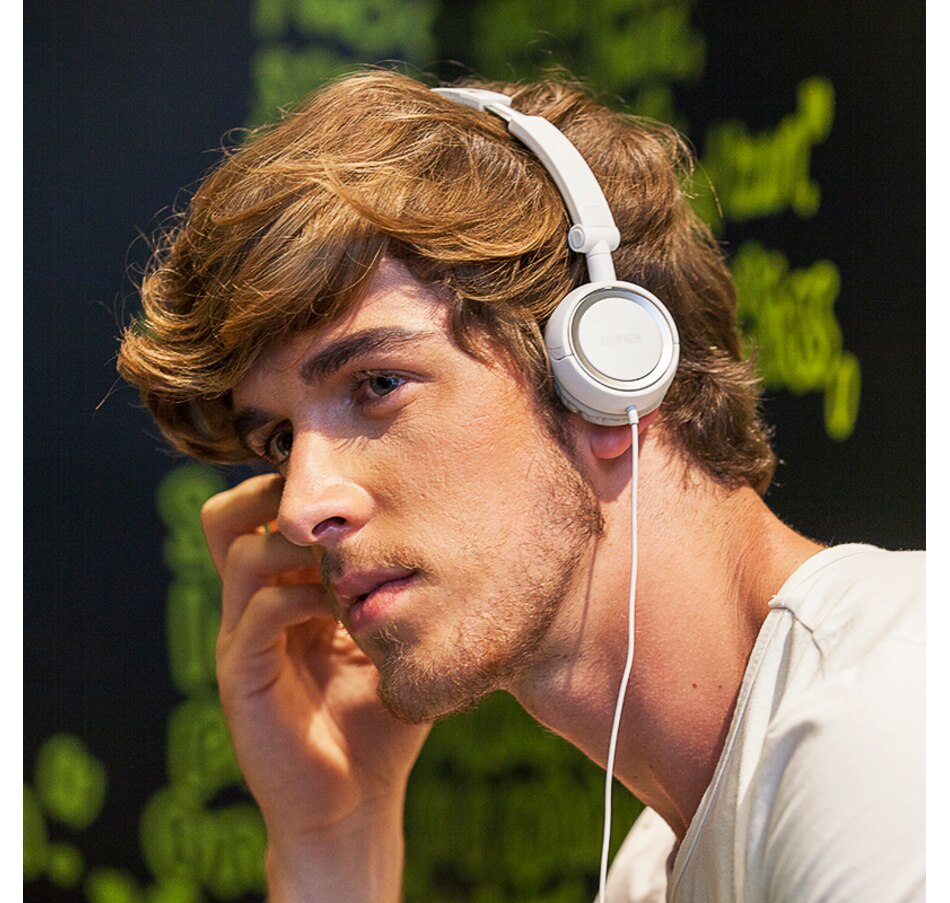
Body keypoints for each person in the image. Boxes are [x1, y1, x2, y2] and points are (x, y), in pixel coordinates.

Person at [116, 69, 924, 902]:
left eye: (377, 383)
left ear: (606, 371)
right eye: (282, 440)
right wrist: (333, 842)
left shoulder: (890, 721)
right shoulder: (652, 869)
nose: (298, 507)